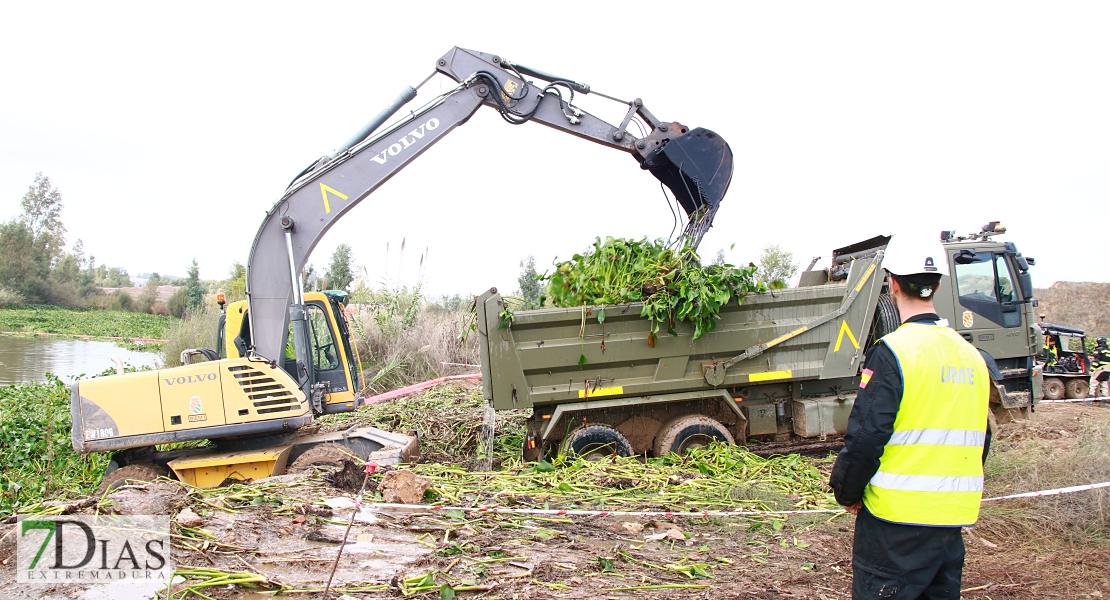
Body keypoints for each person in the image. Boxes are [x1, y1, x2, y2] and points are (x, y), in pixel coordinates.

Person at [829, 234, 991, 599]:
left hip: (894, 526)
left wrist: (848, 492)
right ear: (936, 284)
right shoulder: (972, 356)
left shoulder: (893, 353)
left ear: (893, 283)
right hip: (950, 523)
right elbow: (980, 439)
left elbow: (867, 437)